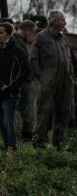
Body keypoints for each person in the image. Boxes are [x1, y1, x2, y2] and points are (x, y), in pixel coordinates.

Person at [31, 10, 74, 149]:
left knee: (63, 112)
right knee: (43, 112)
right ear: (54, 21)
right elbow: (33, 59)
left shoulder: (64, 39)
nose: (65, 22)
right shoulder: (41, 37)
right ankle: (38, 143)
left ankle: (58, 142)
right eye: (62, 20)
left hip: (65, 82)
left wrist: (71, 74)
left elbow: (70, 59)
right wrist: (40, 77)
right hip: (48, 81)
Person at [0, 22, 29, 151]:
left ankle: (11, 149)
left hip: (11, 93)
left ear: (9, 34)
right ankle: (6, 148)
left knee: (8, 123)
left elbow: (25, 71)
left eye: (1, 33)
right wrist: (0, 83)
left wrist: (11, 86)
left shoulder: (17, 51)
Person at [13, 20, 39, 142]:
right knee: (27, 110)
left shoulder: (18, 41)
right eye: (33, 32)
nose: (34, 35)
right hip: (24, 82)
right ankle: (25, 137)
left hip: (21, 81)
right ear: (27, 31)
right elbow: (25, 65)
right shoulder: (19, 43)